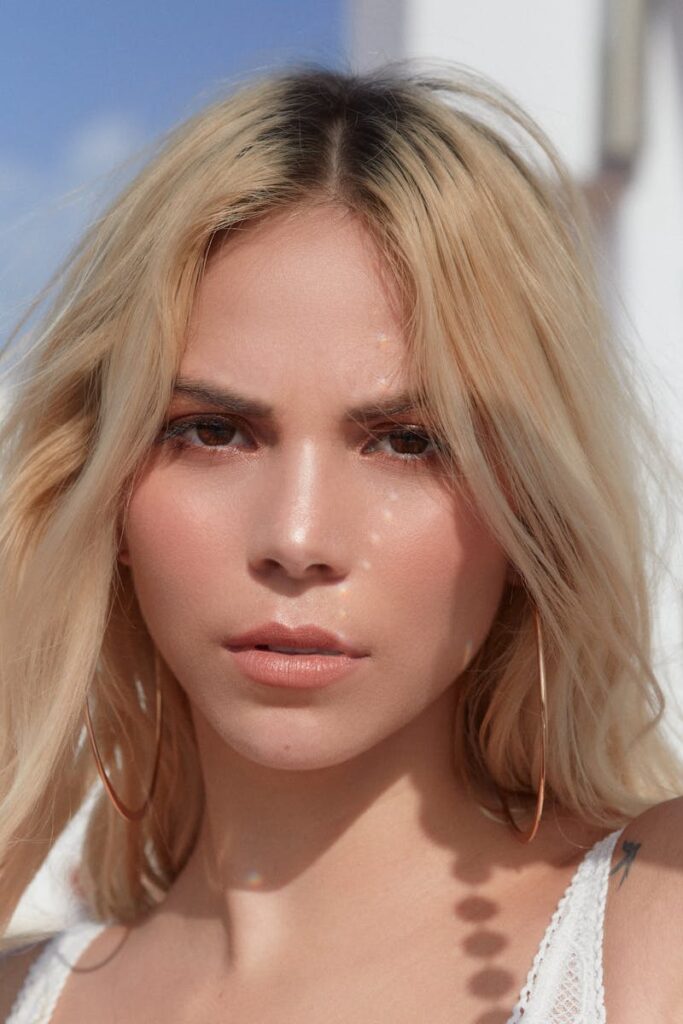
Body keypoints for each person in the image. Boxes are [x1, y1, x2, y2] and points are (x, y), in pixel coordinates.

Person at [0, 63, 682, 1024]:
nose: (297, 538)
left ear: (529, 506)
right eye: (211, 430)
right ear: (103, 485)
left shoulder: (652, 936)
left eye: (410, 442)